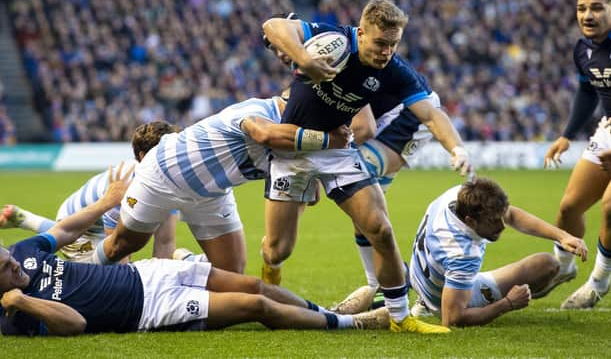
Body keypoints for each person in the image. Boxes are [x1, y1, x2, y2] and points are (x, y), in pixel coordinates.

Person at [260, 0, 471, 333]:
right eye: (380, 43)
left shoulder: (395, 71)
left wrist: (456, 148)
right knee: (277, 250)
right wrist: (306, 61)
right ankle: (269, 288)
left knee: (380, 229)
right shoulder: (335, 41)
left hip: (338, 150)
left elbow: (430, 114)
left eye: (393, 44)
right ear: (361, 33)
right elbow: (272, 26)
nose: (386, 51)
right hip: (293, 152)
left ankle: (400, 318)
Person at [0, 164, 397, 335]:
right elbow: (76, 325)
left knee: (253, 286)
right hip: (150, 311)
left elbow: (64, 230)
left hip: (146, 274)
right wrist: (23, 300)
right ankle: (353, 323)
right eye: (6, 268)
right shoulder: (14, 315)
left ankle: (328, 313)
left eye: (9, 257)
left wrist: (107, 202)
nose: (15, 264)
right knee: (254, 308)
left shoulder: (24, 252)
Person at [90, 95, 351, 273]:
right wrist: (330, 140)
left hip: (212, 195)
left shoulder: (302, 140)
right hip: (163, 174)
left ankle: (184, 262)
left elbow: (310, 195)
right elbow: (264, 135)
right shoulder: (259, 111)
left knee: (232, 272)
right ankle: (79, 272)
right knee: (121, 246)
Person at [334, 178, 587, 328]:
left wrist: (562, 235)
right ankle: (416, 305)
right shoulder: (462, 253)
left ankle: (387, 302)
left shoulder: (458, 195)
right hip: (441, 295)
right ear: (470, 220)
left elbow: (510, 214)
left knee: (545, 262)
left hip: (422, 273)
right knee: (547, 266)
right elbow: (452, 319)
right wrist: (507, 304)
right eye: (493, 222)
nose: (502, 226)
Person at [543, 0, 611, 309]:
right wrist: (567, 134)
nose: (587, 15)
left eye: (597, 7)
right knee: (569, 208)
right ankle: (563, 268)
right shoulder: (582, 48)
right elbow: (587, 91)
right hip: (610, 131)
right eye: (581, 8)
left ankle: (598, 283)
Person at [1, 121, 180, 263]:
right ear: (143, 156)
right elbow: (116, 250)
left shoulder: (168, 181)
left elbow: (165, 243)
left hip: (94, 224)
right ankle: (29, 221)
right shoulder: (125, 185)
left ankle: (23, 218)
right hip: (77, 222)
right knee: (101, 277)